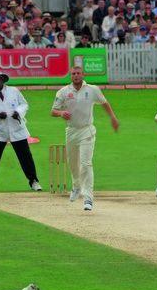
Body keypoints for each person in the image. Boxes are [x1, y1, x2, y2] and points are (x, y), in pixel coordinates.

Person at [51, 66, 120, 211]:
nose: (76, 76)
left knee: (86, 163)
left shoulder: (92, 89)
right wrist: (61, 113)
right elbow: (53, 111)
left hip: (87, 130)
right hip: (71, 131)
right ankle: (76, 186)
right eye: (73, 74)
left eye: (78, 73)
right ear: (71, 76)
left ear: (83, 75)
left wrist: (112, 117)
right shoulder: (64, 92)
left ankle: (88, 198)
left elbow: (104, 103)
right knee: (72, 163)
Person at [0, 71, 42, 192]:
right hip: (1, 131)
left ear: (3, 80)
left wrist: (18, 112)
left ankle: (34, 181)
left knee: (25, 156)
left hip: (17, 128)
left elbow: (24, 104)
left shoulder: (14, 91)